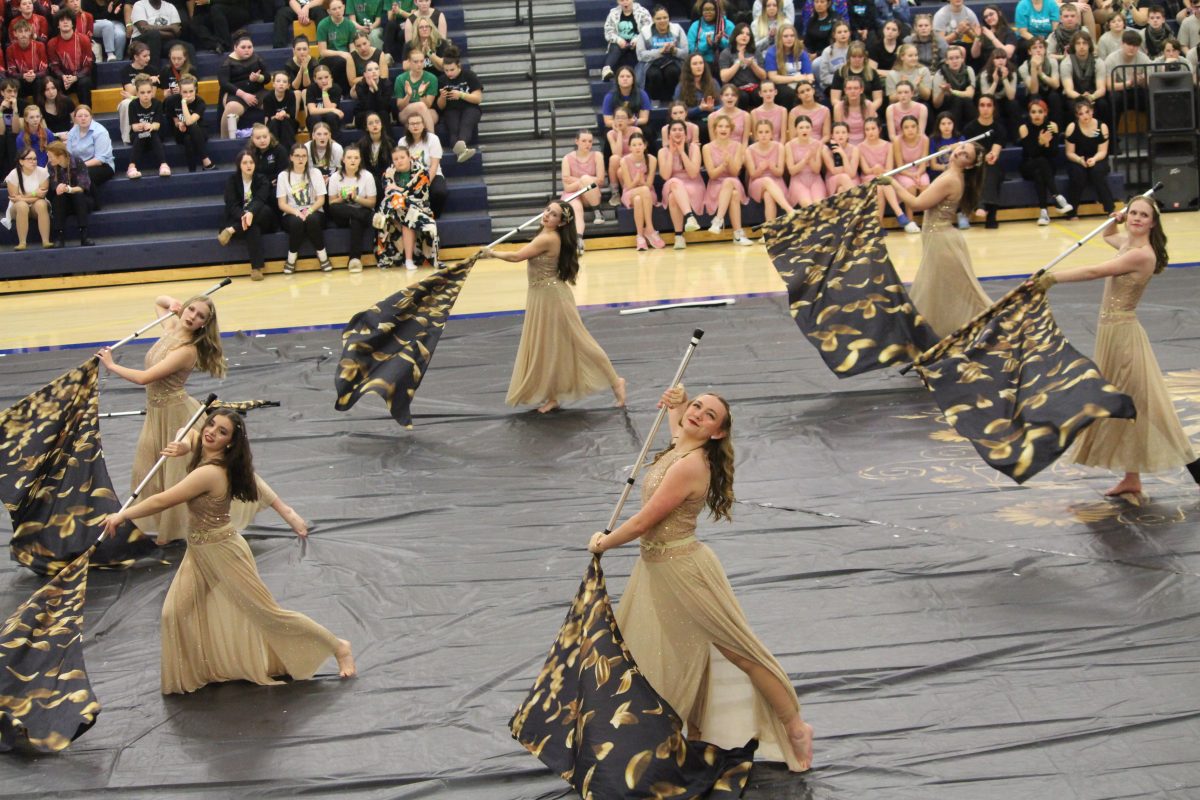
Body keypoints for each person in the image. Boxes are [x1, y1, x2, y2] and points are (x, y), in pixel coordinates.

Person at [588, 386, 813, 773]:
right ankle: (693, 728)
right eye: (697, 407)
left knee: (739, 651)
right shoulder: (680, 444)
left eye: (709, 415)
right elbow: (679, 422)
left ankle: (796, 728)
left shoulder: (690, 465)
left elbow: (644, 522)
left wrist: (603, 543)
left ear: (717, 432)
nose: (698, 415)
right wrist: (677, 400)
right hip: (657, 569)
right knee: (681, 648)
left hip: (684, 570)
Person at [100, 409, 356, 695]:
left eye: (222, 432)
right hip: (198, 552)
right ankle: (200, 670)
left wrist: (123, 515)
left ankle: (338, 646)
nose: (211, 432)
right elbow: (192, 434)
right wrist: (184, 443)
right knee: (173, 613)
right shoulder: (211, 454)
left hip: (224, 552)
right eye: (210, 425)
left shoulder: (210, 472)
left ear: (230, 443)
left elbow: (163, 500)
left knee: (267, 614)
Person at [1038, 197, 1199, 500]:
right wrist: (1115, 219)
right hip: (1111, 332)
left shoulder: (1141, 254)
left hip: (1124, 336)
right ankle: (1131, 478)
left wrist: (1051, 279)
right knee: (1125, 404)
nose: (1136, 218)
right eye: (1133, 213)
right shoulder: (1128, 243)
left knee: (1142, 404)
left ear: (1153, 223)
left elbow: (1094, 271)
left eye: (1143, 215)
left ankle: (1195, 467)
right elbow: (1109, 236)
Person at [95, 294, 228, 545]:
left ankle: (176, 528)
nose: (192, 317)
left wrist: (111, 366)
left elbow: (145, 378)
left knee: (177, 474)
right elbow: (159, 302)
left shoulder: (187, 351)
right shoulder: (171, 326)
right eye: (191, 309)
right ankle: (157, 523)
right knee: (146, 471)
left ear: (204, 324)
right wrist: (173, 303)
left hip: (175, 414)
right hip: (156, 413)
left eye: (200, 316)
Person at [480, 200, 626, 414]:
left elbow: (517, 256)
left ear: (561, 222)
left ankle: (615, 381)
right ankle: (553, 396)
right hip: (540, 295)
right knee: (548, 347)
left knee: (581, 342)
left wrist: (492, 253)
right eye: (548, 210)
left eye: (554, 214)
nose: (547, 215)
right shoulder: (546, 233)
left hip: (553, 297)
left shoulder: (548, 238)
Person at [884, 140, 989, 337]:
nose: (959, 153)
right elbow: (944, 153)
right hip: (938, 238)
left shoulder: (951, 179)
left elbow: (916, 204)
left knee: (964, 292)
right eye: (961, 149)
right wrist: (954, 148)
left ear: (970, 165)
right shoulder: (952, 172)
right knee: (939, 291)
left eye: (966, 155)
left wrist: (892, 182)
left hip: (942, 242)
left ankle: (994, 326)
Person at [375, 144, 439, 270]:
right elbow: (389, 192)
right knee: (398, 208)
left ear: (409, 157)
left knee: (408, 216)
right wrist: (399, 191)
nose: (399, 161)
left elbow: (418, 194)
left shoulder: (421, 171)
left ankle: (409, 259)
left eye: (402, 157)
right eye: (396, 159)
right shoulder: (389, 172)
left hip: (419, 207)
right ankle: (405, 259)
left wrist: (397, 189)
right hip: (395, 209)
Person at [219, 149, 276, 281]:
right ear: (239, 165)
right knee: (252, 227)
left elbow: (260, 199)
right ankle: (256, 269)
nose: (249, 165)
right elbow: (232, 205)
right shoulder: (232, 180)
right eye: (245, 163)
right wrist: (244, 216)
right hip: (241, 219)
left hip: (262, 218)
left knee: (264, 210)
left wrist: (250, 212)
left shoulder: (262, 179)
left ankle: (232, 230)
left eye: (251, 162)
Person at [277, 143, 332, 274]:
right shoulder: (283, 176)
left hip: (315, 211)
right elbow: (282, 204)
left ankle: (323, 256)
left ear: (307, 158)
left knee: (312, 219)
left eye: (303, 156)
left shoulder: (315, 173)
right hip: (291, 213)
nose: (300, 159)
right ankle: (291, 258)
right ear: (291, 157)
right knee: (297, 222)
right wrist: (296, 212)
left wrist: (309, 211)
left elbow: (321, 200)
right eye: (297, 156)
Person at [1018, 99, 1072, 225]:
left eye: (1040, 112)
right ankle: (1057, 196)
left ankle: (1044, 213)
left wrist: (1047, 144)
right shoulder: (1024, 128)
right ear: (1029, 114)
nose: (1036, 115)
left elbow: (1054, 153)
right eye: (1033, 112)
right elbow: (1030, 153)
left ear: (1045, 113)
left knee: (1040, 172)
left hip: (1047, 166)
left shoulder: (1052, 126)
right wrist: (1040, 143)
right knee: (1040, 162)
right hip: (1028, 165)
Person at [326, 144, 377, 272]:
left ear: (360, 160)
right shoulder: (335, 177)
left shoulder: (367, 176)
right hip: (343, 214)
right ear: (343, 160)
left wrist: (356, 198)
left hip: (361, 210)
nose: (352, 160)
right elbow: (332, 203)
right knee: (335, 208)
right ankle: (371, 218)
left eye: (356, 158)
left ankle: (354, 260)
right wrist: (342, 198)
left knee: (356, 219)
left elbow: (372, 203)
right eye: (349, 157)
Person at [702, 114, 752, 243]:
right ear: (715, 129)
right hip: (716, 185)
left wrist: (729, 162)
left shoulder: (737, 146)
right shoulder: (707, 148)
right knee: (734, 194)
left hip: (733, 181)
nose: (723, 129)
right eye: (720, 126)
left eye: (727, 126)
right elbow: (712, 175)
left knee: (730, 181)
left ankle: (718, 220)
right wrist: (723, 165)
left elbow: (735, 173)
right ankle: (738, 235)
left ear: (731, 130)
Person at [1063, 97, 1115, 219]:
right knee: (1077, 174)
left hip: (1097, 158)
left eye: (1087, 112)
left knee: (1097, 172)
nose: (1085, 116)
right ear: (1077, 115)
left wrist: (1094, 159)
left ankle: (1110, 208)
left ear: (1092, 111)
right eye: (1081, 113)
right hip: (1078, 159)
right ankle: (1072, 211)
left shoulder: (1101, 127)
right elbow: (1069, 153)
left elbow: (1103, 151)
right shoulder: (1072, 128)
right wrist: (1079, 160)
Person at [658, 118, 706, 249]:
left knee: (673, 197)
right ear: (669, 134)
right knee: (674, 182)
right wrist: (671, 153)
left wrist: (682, 152)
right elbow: (665, 176)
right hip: (672, 184)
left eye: (680, 130)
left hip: (693, 184)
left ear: (685, 133)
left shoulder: (694, 148)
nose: (677, 132)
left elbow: (693, 173)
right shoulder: (662, 152)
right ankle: (690, 217)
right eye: (674, 130)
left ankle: (679, 236)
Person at [619, 130, 663, 250]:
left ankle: (640, 236)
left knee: (639, 199)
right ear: (629, 147)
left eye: (640, 144)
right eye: (634, 145)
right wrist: (637, 180)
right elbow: (628, 186)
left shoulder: (652, 159)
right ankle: (650, 228)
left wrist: (642, 182)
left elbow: (649, 185)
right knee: (642, 192)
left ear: (645, 145)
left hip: (649, 192)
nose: (637, 147)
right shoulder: (624, 161)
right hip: (630, 192)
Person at [218, 34, 269, 139]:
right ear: (235, 47)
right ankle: (226, 141)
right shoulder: (226, 63)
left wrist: (259, 78)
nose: (247, 50)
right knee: (231, 108)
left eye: (250, 47)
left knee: (272, 101)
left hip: (258, 92)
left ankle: (270, 136)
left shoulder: (257, 58)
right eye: (243, 47)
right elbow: (224, 84)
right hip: (236, 95)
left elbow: (267, 77)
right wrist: (244, 95)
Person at [435, 50, 481, 163]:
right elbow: (440, 107)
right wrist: (442, 97)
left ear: (459, 66)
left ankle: (461, 148)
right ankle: (462, 151)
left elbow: (478, 98)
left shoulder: (469, 75)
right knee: (454, 130)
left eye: (452, 70)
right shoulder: (442, 80)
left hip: (470, 107)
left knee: (466, 124)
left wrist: (461, 95)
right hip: (451, 109)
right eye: (446, 70)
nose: (449, 73)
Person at [637, 4, 689, 104]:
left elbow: (686, 52)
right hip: (651, 63)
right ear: (653, 19)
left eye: (665, 17)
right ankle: (654, 99)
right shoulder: (645, 31)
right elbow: (640, 55)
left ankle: (673, 99)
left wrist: (674, 51)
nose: (662, 21)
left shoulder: (677, 29)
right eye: (658, 18)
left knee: (672, 71)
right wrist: (659, 52)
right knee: (654, 74)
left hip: (673, 60)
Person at [163, 74, 214, 172]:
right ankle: (207, 162)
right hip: (180, 131)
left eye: (191, 91)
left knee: (189, 138)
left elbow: (190, 121)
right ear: (180, 91)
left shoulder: (200, 102)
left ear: (195, 90)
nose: (188, 95)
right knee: (187, 135)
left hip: (199, 130)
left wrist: (183, 103)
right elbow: (175, 120)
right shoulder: (171, 101)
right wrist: (179, 124)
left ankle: (192, 171)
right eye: (185, 92)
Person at [45, 139, 91, 247]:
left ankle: (84, 235)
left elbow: (83, 186)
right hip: (62, 202)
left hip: (81, 200)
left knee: (78, 195)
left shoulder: (77, 161)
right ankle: (59, 236)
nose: (49, 160)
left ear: (60, 156)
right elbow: (54, 186)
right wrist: (59, 188)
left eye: (51, 157)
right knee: (58, 198)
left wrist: (68, 189)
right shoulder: (51, 166)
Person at [66, 103, 114, 200]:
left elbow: (99, 159)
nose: (83, 118)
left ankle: (93, 202)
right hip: (78, 166)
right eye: (80, 116)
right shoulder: (72, 132)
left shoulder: (100, 131)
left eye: (86, 116)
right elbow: (68, 154)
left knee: (84, 175)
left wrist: (79, 166)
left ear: (91, 117)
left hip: (102, 166)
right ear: (75, 118)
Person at [5, 146, 50, 249]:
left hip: (36, 205)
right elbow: (14, 198)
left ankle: (46, 241)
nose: (33, 161)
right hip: (17, 207)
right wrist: (34, 193)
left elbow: (42, 195)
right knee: (22, 206)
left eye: (35, 159)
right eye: (29, 159)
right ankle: (22, 243)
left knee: (41, 204)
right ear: (21, 161)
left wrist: (22, 197)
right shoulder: (13, 174)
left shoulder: (43, 172)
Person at [125, 74, 169, 179]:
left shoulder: (157, 103)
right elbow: (134, 127)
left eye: (149, 92)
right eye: (142, 93)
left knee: (151, 132)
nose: (146, 95)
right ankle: (132, 167)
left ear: (152, 92)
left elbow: (157, 125)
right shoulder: (133, 105)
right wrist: (141, 126)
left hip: (154, 135)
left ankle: (163, 165)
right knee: (142, 133)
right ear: (137, 93)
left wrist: (150, 126)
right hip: (138, 135)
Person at [47, 9, 94, 106]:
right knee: (55, 83)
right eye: (62, 20)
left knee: (85, 82)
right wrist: (63, 77)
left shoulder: (84, 39)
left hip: (80, 78)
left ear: (73, 24)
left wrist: (76, 77)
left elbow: (88, 66)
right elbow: (54, 66)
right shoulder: (52, 43)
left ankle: (86, 111)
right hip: (63, 79)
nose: (65, 22)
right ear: (58, 25)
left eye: (68, 20)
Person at [601, 0, 652, 81]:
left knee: (640, 47)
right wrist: (618, 40)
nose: (625, 2)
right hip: (620, 43)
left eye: (627, 0)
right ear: (618, 1)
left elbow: (648, 29)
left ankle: (641, 74)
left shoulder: (643, 12)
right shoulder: (613, 13)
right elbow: (608, 32)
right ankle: (607, 69)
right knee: (615, 48)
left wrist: (638, 39)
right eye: (622, 0)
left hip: (637, 43)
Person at [315, 0, 356, 92]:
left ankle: (349, 91)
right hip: (328, 58)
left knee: (354, 60)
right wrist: (341, 53)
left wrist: (353, 57)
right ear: (329, 11)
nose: (338, 11)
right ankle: (337, 91)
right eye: (334, 9)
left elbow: (352, 48)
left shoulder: (350, 25)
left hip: (346, 57)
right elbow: (323, 52)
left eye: (340, 8)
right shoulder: (323, 25)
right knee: (341, 61)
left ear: (344, 7)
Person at [785, 112, 824, 206]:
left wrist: (810, 159)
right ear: (796, 129)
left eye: (807, 127)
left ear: (811, 129)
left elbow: (817, 170)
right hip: (798, 179)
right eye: (801, 128)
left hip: (814, 178)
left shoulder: (818, 144)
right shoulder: (789, 145)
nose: (804, 130)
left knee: (818, 203)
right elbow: (792, 171)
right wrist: (805, 159)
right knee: (807, 203)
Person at [129, 0, 183, 67]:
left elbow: (177, 32)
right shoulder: (139, 5)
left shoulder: (170, 7)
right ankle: (153, 71)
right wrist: (170, 27)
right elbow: (143, 29)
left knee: (187, 46)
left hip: (164, 42)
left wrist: (151, 28)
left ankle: (190, 73)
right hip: (140, 42)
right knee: (154, 35)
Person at [689, 0, 734, 76]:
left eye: (711, 9)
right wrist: (706, 44)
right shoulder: (695, 26)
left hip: (724, 62)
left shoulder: (728, 25)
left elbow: (734, 46)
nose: (708, 12)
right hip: (703, 62)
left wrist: (721, 41)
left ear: (717, 11)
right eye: (705, 10)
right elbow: (692, 50)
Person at [261, 69, 301, 150]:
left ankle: (290, 150)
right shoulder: (267, 98)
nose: (281, 84)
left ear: (288, 85)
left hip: (288, 122)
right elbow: (268, 117)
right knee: (275, 122)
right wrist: (277, 116)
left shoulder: (291, 95)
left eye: (284, 82)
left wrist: (284, 114)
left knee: (285, 121)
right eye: (278, 81)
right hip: (273, 122)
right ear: (273, 84)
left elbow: (292, 115)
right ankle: (274, 148)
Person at [305, 63, 345, 136]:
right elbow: (312, 111)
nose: (324, 81)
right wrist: (332, 109)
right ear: (315, 79)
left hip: (331, 118)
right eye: (320, 78)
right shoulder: (311, 88)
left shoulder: (336, 88)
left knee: (331, 116)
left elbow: (329, 107)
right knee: (315, 117)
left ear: (331, 77)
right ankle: (315, 140)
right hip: (315, 118)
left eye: (326, 77)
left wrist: (324, 91)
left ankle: (333, 140)